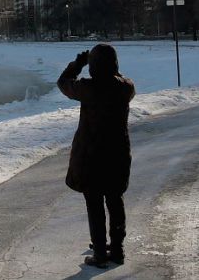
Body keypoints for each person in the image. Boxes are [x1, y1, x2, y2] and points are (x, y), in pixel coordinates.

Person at [58, 44, 135, 268]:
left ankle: (100, 253)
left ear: (94, 65)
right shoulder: (126, 88)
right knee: (115, 201)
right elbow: (116, 79)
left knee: (94, 203)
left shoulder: (88, 88)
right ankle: (117, 250)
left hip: (92, 157)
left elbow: (63, 83)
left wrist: (77, 65)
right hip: (118, 155)